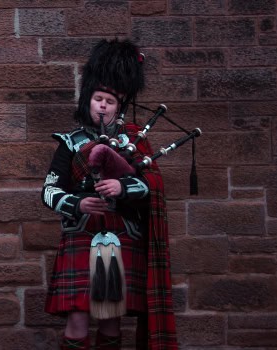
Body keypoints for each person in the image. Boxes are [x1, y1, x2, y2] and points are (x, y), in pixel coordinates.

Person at [41, 39, 177, 350]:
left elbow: (150, 186)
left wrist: (121, 187)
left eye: (110, 101)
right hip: (81, 235)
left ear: (119, 107)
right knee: (76, 321)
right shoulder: (69, 142)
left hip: (119, 237)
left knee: (110, 320)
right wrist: (77, 202)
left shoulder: (134, 142)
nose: (102, 104)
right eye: (97, 98)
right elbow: (48, 191)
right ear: (87, 100)